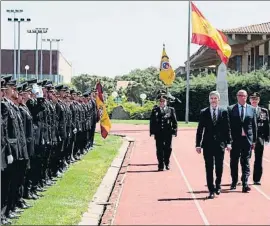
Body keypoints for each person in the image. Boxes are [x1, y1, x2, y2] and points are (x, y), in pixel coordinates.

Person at [195, 91, 232, 199]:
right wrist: (198, 144)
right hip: (207, 144)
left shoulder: (224, 112)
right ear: (209, 100)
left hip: (220, 144)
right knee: (209, 167)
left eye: (215, 98)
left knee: (219, 166)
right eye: (211, 98)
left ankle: (218, 184)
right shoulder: (204, 112)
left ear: (218, 100)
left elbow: (227, 129)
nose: (213, 100)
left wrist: (229, 142)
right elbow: (200, 129)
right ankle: (211, 189)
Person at [228, 89, 257, 193]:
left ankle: (245, 183)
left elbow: (254, 126)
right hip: (235, 140)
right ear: (237, 97)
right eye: (240, 95)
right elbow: (229, 127)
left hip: (247, 140)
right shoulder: (230, 109)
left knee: (246, 162)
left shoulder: (252, 109)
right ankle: (234, 182)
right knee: (234, 161)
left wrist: (254, 141)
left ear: (246, 97)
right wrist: (228, 141)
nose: (242, 97)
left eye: (244, 96)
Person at [150, 92, 177, 171]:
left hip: (168, 132)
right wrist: (152, 132)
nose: (162, 102)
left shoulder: (171, 110)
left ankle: (167, 162)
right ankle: (160, 164)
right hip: (158, 133)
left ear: (166, 102)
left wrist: (174, 131)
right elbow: (152, 122)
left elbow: (174, 121)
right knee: (159, 149)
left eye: (163, 101)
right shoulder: (155, 110)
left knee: (168, 148)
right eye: (160, 101)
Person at [249, 92, 269, 185]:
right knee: (245, 158)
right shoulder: (246, 109)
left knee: (258, 159)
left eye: (256, 99)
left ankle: (256, 179)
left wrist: (267, 138)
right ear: (250, 100)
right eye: (253, 99)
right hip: (248, 137)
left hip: (259, 138)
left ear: (259, 100)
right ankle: (244, 177)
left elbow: (266, 125)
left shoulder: (264, 111)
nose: (254, 100)